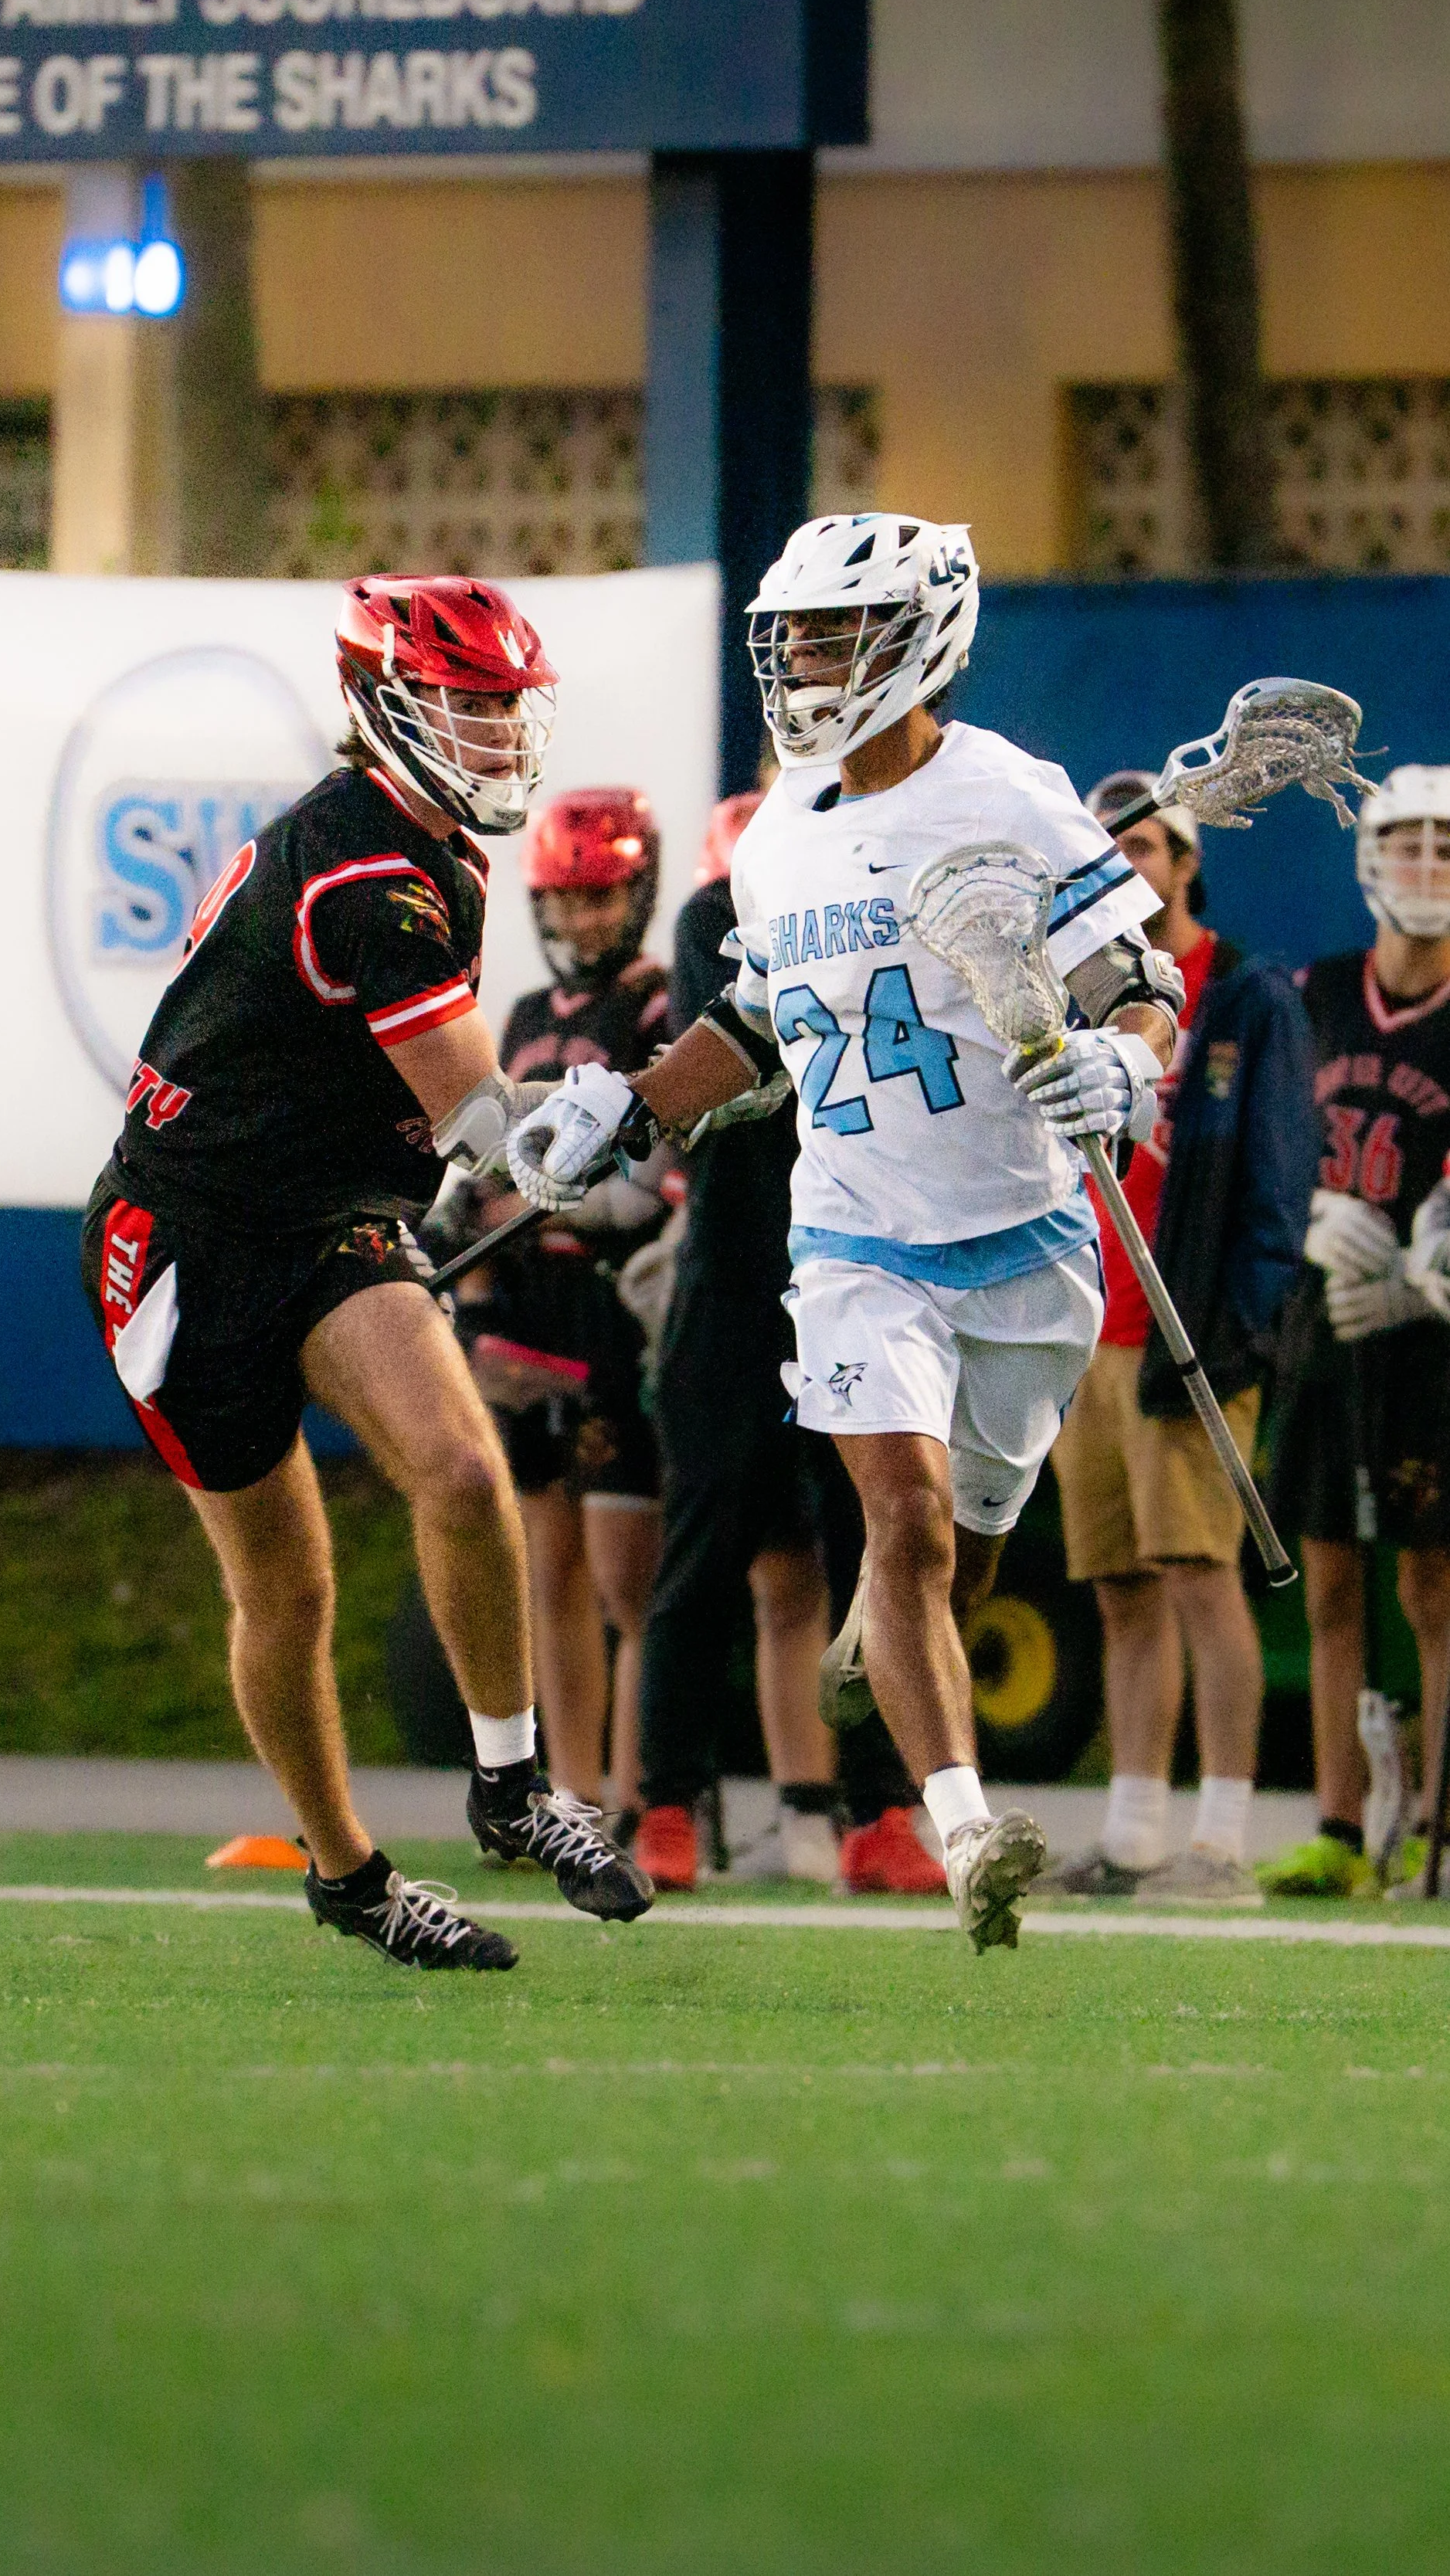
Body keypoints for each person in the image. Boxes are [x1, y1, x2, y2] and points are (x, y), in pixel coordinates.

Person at [507, 511, 1180, 1952]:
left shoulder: (1008, 792)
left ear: (925, 636)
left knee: (969, 1540)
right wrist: (625, 1107)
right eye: (796, 635)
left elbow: (1136, 973)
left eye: (836, 632)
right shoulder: (780, 842)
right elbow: (751, 1027)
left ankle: (902, 1644)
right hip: (857, 1238)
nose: (806, 661)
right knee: (905, 1518)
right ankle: (962, 1827)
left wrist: (1125, 1057)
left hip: (1021, 1233)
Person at [80, 574, 651, 1972]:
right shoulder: (365, 873)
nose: (497, 737)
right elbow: (481, 1121)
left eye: (507, 710)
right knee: (287, 1591)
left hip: (327, 1211)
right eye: (466, 706)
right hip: (187, 1233)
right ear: (383, 704)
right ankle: (347, 1870)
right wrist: (632, 1107)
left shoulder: (421, 848)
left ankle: (513, 1783)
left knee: (462, 1471)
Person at [630, 785, 942, 1894]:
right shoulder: (719, 907)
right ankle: (665, 1797)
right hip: (738, 1271)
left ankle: (884, 1810)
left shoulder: (890, 896)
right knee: (704, 1544)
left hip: (857, 1264)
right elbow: (731, 1061)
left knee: (877, 1543)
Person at [1040, 776, 1316, 1900]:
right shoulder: (1075, 996)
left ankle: (1222, 1837)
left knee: (1201, 1573)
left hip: (1186, 1328)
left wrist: (1247, 1325)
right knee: (1120, 1586)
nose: (1129, 866)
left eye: (1145, 845)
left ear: (1188, 860)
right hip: (1088, 1327)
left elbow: (1281, 1172)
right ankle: (1138, 1827)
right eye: (1108, 850)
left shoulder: (1246, 997)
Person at [450, 787, 669, 1811]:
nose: (585, 921)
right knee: (550, 1566)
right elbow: (490, 1156)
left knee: (630, 1572)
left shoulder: (660, 1000)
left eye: (603, 898)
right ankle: (572, 1789)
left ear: (639, 892)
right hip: (534, 1299)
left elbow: (663, 1167)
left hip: (613, 1298)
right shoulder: (529, 1018)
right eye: (569, 902)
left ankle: (644, 1790)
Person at [1261, 765, 1450, 1899]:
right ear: (1369, 857)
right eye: (1408, 842)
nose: (1425, 866)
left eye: (1446, 844)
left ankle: (1436, 1824)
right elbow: (1265, 1150)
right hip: (1324, 1327)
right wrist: (1307, 1216)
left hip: (1433, 1340)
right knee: (1329, 1584)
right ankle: (1338, 1824)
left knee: (1434, 1587)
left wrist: (1431, 1282)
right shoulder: (1316, 990)